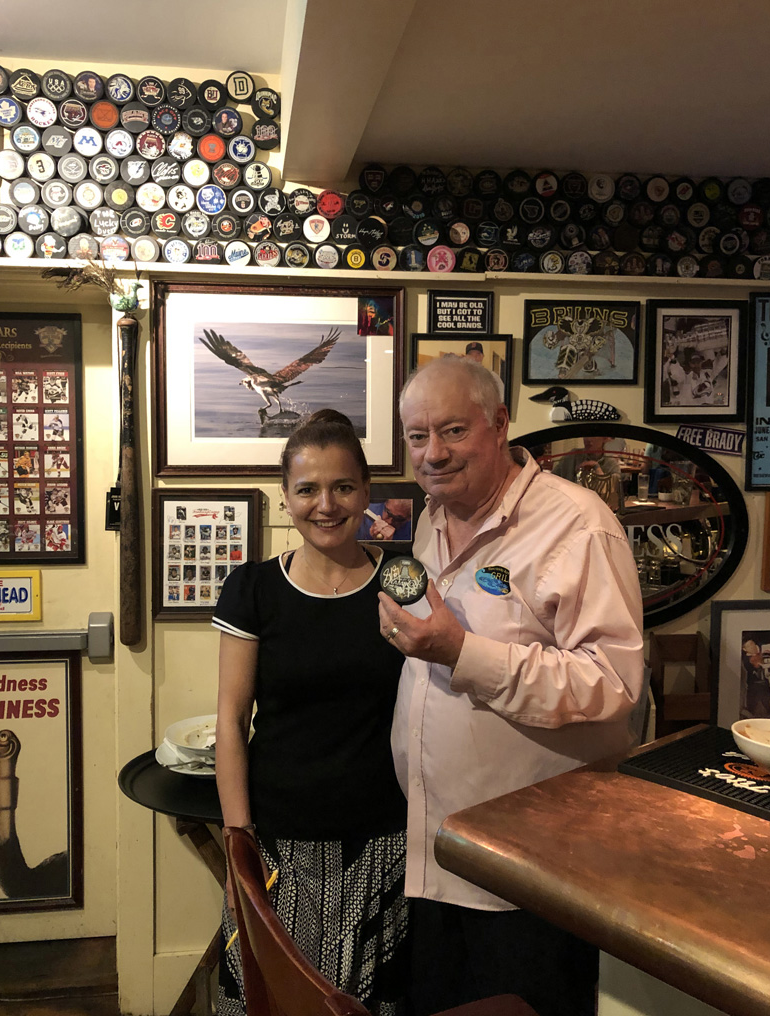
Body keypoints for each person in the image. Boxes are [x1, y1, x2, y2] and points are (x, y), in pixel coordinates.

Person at [377, 356, 644, 1016]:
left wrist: (461, 652)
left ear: (498, 426)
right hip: (439, 851)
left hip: (532, 872)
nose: (432, 454)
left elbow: (612, 683)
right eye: (417, 436)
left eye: (452, 431)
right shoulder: (431, 518)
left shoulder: (578, 526)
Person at [212, 408, 410, 1016]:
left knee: (364, 1003)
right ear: (286, 497)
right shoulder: (253, 588)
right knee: (267, 999)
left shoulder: (403, 580)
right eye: (308, 489)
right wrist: (238, 840)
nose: (326, 504)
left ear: (366, 492)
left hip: (384, 839)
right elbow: (228, 717)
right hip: (279, 842)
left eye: (343, 486)